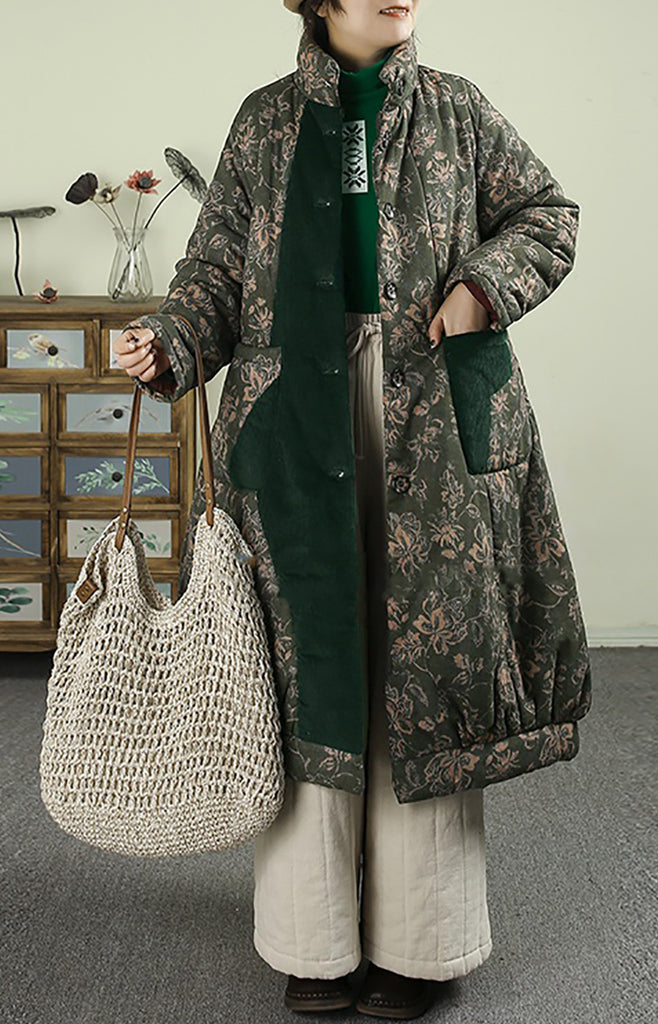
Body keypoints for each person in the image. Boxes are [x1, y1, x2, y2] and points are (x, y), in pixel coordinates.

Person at [113, 0, 593, 1018]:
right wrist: (171, 340)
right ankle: (312, 940)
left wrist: (480, 287)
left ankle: (422, 947)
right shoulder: (265, 119)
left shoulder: (458, 109)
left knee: (421, 665)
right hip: (296, 416)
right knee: (305, 664)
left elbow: (546, 215)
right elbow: (214, 272)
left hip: (434, 412)